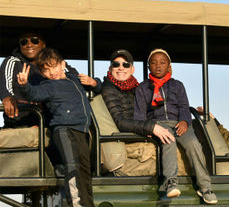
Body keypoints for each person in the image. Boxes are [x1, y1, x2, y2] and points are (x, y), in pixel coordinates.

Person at [17, 47, 100, 207]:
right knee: (73, 169)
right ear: (42, 73)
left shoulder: (73, 79)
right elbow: (34, 93)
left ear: (62, 64)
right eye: (46, 70)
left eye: (54, 66)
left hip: (81, 131)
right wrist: (24, 85)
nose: (52, 72)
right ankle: (76, 204)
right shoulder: (49, 86)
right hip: (64, 130)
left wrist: (94, 82)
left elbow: (98, 87)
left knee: (84, 172)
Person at [134, 48, 218, 204]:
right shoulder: (142, 88)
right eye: (154, 62)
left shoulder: (177, 85)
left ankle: (206, 187)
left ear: (169, 65)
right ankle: (171, 183)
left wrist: (185, 121)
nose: (158, 66)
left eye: (162, 62)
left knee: (193, 144)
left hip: (179, 123)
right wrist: (149, 128)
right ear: (148, 66)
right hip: (158, 124)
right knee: (168, 140)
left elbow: (184, 107)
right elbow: (139, 116)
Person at [0, 32, 77, 128]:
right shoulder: (12, 61)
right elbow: (4, 84)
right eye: (24, 42)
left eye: (35, 40)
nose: (29, 45)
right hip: (21, 122)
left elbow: (73, 79)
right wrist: (7, 97)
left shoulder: (54, 62)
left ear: (43, 44)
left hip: (53, 122)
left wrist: (95, 83)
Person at [100, 49, 175, 143]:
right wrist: (151, 128)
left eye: (126, 65)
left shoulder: (138, 88)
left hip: (141, 131)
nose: (121, 68)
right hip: (124, 136)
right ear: (110, 69)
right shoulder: (108, 89)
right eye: (116, 64)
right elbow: (119, 121)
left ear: (132, 70)